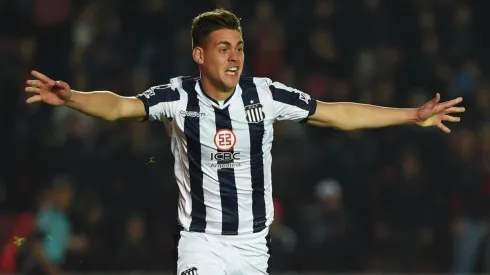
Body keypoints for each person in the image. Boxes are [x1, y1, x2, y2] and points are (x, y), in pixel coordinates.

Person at [24, 8, 465, 275]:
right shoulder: (178, 96)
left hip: (254, 247)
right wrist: (72, 99)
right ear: (199, 54)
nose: (234, 57)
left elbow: (337, 113)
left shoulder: (267, 94)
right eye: (223, 48)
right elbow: (120, 106)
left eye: (238, 47)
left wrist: (412, 116)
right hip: (202, 242)